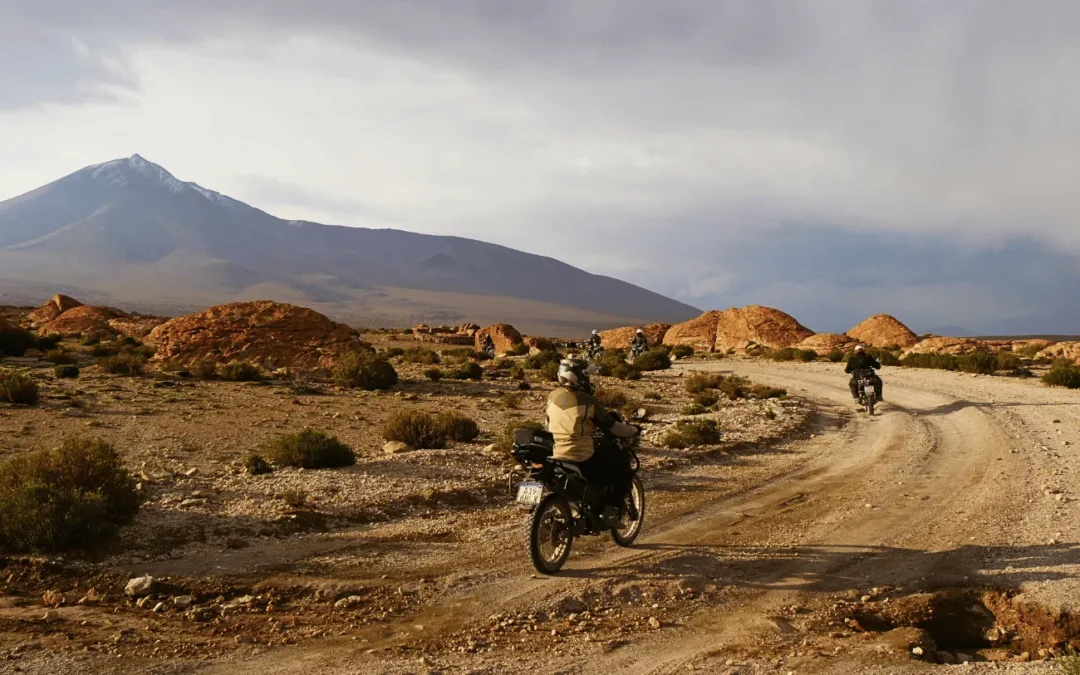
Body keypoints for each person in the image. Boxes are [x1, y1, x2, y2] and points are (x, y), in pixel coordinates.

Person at [546, 358, 640, 526]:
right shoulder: (587, 400)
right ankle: (609, 512)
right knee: (618, 467)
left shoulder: (553, 396)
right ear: (578, 377)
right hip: (578, 454)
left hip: (554, 450)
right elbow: (611, 426)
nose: (589, 380)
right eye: (587, 376)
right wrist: (633, 430)